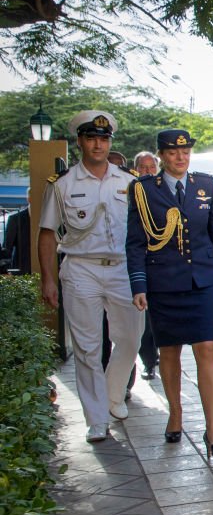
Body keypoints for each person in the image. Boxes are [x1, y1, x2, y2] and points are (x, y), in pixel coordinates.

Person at [38, 111, 145, 443]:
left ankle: (113, 395)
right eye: (91, 138)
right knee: (87, 347)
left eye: (104, 139)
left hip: (123, 269)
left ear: (109, 142)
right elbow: (46, 233)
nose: (98, 144)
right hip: (80, 268)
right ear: (80, 142)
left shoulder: (129, 181)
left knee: (130, 339)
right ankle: (96, 418)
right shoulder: (64, 184)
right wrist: (49, 279)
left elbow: (144, 232)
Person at [125, 129, 213, 458]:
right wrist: (139, 285)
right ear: (161, 156)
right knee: (168, 352)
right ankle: (175, 413)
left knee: (207, 349)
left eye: (185, 152)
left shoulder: (206, 184)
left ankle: (212, 426)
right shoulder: (142, 190)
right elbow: (136, 241)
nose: (180, 157)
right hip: (164, 283)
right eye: (172, 152)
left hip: (203, 281)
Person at [133, 151, 161, 379]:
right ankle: (148, 361)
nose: (147, 172)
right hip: (140, 264)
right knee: (142, 323)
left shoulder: (165, 191)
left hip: (161, 267)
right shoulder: (134, 192)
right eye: (143, 167)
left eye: (151, 167)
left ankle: (156, 357)